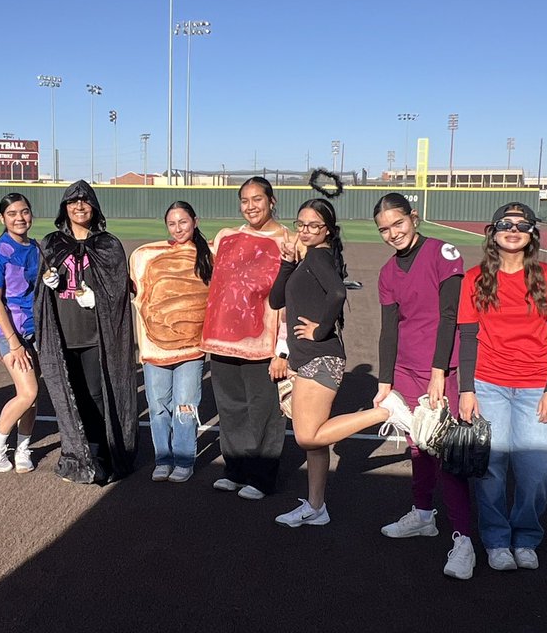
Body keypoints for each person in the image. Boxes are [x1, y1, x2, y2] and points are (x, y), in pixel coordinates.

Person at [269, 197, 411, 528]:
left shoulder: (319, 257)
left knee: (307, 437)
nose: (305, 231)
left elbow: (338, 293)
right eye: (300, 224)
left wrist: (318, 330)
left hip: (321, 358)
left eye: (313, 225)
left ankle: (386, 411)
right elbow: (276, 300)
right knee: (314, 444)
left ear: (328, 230)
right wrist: (287, 263)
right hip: (307, 359)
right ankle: (316, 507)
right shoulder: (306, 259)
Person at [458, 203, 547, 572]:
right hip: (488, 384)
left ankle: (526, 536)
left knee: (538, 471)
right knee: (491, 467)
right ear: (493, 230)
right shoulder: (475, 278)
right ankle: (495, 539)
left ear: (532, 233)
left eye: (523, 225)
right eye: (506, 224)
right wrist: (466, 389)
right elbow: (469, 336)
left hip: (536, 387)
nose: (514, 229)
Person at [371, 193, 475, 580]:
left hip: (438, 372)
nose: (392, 233)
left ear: (413, 218)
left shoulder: (442, 255)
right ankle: (422, 514)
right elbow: (388, 331)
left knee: (447, 453)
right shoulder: (386, 272)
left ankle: (464, 538)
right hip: (405, 370)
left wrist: (438, 371)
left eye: (398, 223)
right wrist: (385, 382)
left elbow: (451, 315)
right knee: (418, 447)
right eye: (384, 229)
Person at [35, 180, 138, 483]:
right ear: (64, 208)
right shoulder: (51, 243)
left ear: (94, 207)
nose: (79, 206)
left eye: (85, 201)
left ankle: (102, 454)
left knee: (97, 396)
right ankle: (76, 455)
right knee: (71, 395)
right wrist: (47, 283)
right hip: (62, 336)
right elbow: (39, 293)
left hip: (96, 336)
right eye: (72, 201)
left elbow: (119, 287)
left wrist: (99, 298)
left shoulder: (108, 245)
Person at [200, 178, 294, 501]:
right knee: (230, 408)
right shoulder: (226, 237)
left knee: (264, 411)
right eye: (245, 200)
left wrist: (283, 350)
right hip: (221, 338)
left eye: (257, 199)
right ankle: (235, 469)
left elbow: (291, 301)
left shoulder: (288, 241)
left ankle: (262, 477)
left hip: (262, 343)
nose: (251, 206)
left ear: (272, 200)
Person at [130, 201, 213, 483]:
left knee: (185, 405)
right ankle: (162, 459)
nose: (178, 228)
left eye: (183, 222)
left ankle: (184, 459)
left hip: (192, 349)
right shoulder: (148, 255)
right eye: (172, 223)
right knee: (157, 407)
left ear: (195, 221)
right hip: (155, 349)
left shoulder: (210, 255)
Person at [0, 193, 41, 474]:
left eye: (24, 212)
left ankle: (23, 448)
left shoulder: (37, 248)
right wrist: (14, 343)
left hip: (36, 329)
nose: (20, 218)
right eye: (12, 213)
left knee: (31, 395)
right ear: (2, 218)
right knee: (28, 392)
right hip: (10, 331)